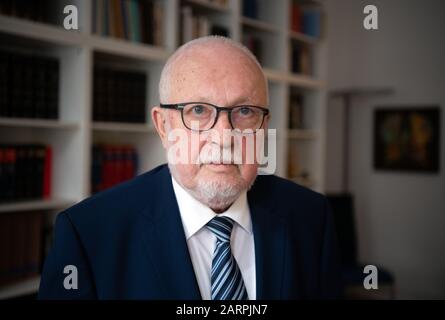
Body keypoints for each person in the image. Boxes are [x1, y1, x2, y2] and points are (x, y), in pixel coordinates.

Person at [38, 36, 341, 300]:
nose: (224, 137)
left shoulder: (312, 217)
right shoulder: (88, 235)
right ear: (163, 125)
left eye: (245, 111)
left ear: (264, 126)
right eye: (198, 110)